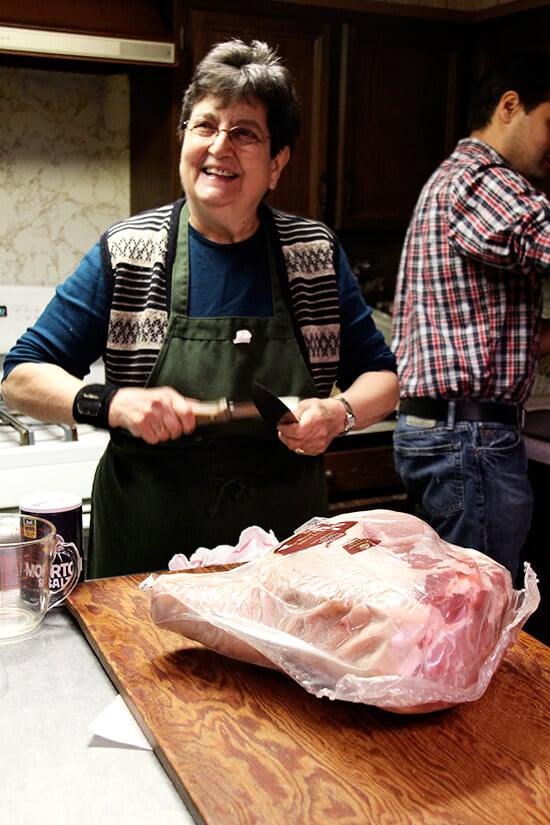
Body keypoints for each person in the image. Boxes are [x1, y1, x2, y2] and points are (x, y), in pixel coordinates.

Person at [2, 39, 399, 579]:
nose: (219, 146)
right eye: (205, 126)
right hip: (147, 550)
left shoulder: (314, 256)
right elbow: (19, 376)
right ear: (183, 140)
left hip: (280, 556)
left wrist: (338, 413)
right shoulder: (128, 251)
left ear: (278, 163)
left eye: (244, 132)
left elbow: (382, 378)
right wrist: (113, 405)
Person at [392, 51, 550, 583]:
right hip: (470, 440)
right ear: (511, 106)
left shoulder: (458, 181)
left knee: (456, 618)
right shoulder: (482, 180)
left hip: (451, 433)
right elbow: (541, 237)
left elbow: (486, 328)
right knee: (479, 616)